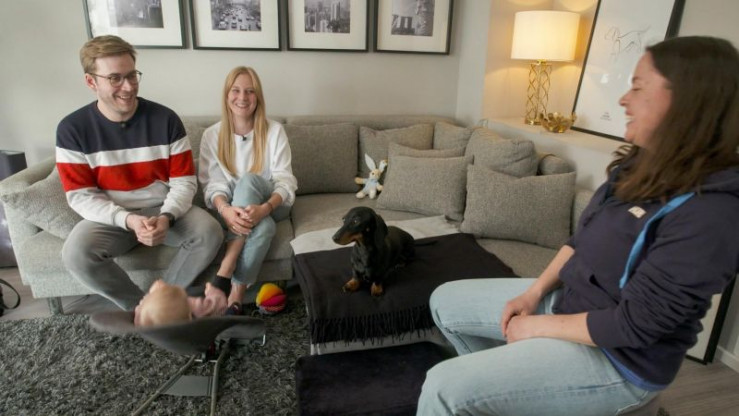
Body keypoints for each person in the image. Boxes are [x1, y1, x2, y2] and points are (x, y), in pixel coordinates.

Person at [417, 36, 739, 416]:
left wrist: (536, 328)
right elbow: (579, 241)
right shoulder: (639, 165)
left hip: (620, 360)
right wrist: (533, 294)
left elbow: (635, 326)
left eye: (638, 87)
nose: (624, 100)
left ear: (687, 101)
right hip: (570, 304)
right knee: (445, 302)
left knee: (444, 388)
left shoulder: (712, 215)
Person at [56, 35, 223, 311]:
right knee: (76, 254)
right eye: (115, 78)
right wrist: (128, 219)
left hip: (163, 209)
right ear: (91, 82)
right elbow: (81, 196)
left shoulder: (166, 119)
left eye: (132, 75)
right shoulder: (72, 129)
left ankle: (164, 304)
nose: (128, 86)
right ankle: (140, 309)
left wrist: (167, 216)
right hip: (112, 216)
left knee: (209, 232)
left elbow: (184, 182)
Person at [198, 66, 297, 311]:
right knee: (265, 228)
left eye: (250, 91)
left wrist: (265, 208)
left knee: (249, 181)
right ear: (226, 95)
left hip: (273, 203)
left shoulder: (274, 131)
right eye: (236, 90)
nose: (243, 97)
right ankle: (236, 297)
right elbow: (213, 185)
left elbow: (285, 181)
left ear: (258, 97)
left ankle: (226, 267)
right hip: (231, 209)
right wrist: (225, 210)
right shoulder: (211, 135)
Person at [134, 279, 229, 327]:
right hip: (218, 312)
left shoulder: (147, 321)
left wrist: (152, 295)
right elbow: (218, 299)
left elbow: (141, 310)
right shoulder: (197, 307)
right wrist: (210, 289)